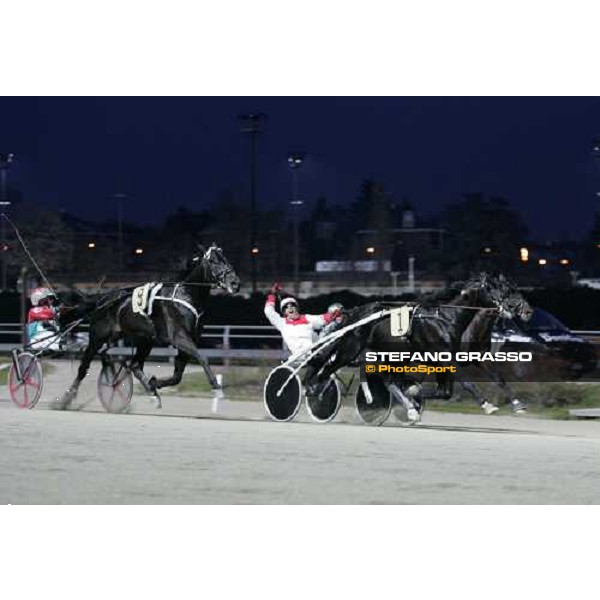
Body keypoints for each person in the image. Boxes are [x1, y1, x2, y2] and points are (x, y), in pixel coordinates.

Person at [263, 283, 341, 358]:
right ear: (284, 312)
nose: (290, 308)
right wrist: (272, 295)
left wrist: (336, 314)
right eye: (286, 307)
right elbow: (269, 311)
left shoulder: (306, 318)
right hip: (298, 356)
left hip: (313, 351)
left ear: (297, 308)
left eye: (292, 305)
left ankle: (332, 354)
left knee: (329, 327)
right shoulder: (281, 323)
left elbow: (322, 319)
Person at [27, 287, 61, 351]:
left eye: (52, 298)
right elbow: (48, 315)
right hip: (38, 339)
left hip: (51, 338)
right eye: (49, 298)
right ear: (40, 299)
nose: (52, 300)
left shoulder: (50, 309)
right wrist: (56, 310)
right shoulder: (34, 310)